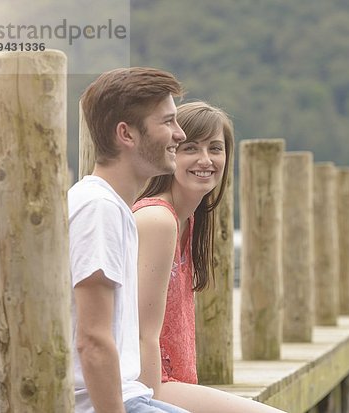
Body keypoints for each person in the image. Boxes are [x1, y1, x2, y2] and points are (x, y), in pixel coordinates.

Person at [133, 101, 286, 413]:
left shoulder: (188, 220)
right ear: (169, 152)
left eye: (215, 148)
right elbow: (141, 334)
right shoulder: (156, 219)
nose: (206, 160)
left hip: (175, 384)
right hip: (148, 386)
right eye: (191, 148)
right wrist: (149, 407)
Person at [68, 67, 191, 413]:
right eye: (167, 122)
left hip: (130, 397)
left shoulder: (110, 206)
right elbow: (92, 340)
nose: (179, 134)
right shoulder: (98, 209)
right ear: (127, 134)